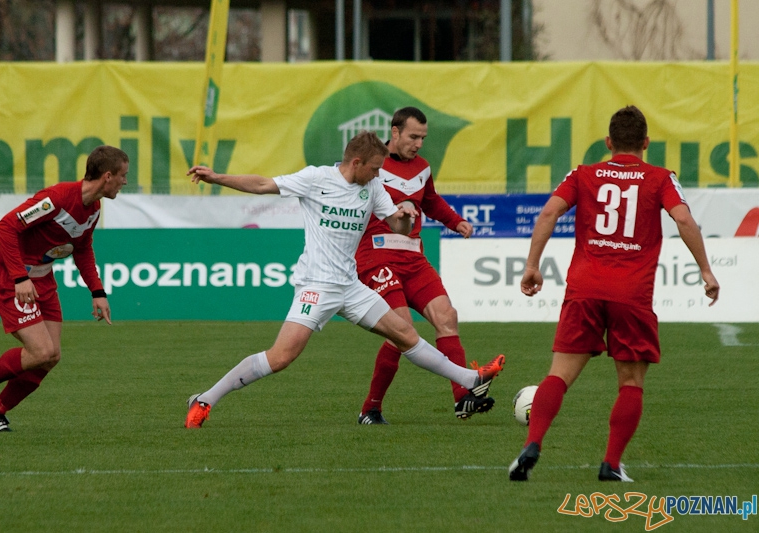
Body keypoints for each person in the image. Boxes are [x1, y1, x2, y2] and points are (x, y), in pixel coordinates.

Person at [184, 131, 505, 429]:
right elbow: (262, 184)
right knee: (281, 357)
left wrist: (405, 219)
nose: (378, 174)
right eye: (375, 168)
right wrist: (217, 177)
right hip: (316, 285)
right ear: (356, 163)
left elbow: (396, 225)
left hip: (351, 287)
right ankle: (205, 399)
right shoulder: (316, 179)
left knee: (405, 334)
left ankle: (471, 379)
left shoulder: (372, 187)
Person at [508, 106, 719, 482]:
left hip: (585, 289)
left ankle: (532, 442)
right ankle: (610, 463)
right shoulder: (661, 178)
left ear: (608, 142)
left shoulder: (583, 174)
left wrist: (531, 265)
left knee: (558, 376)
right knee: (631, 383)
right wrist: (705, 270)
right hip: (631, 293)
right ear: (646, 143)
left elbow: (548, 214)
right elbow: (684, 218)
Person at [0, 145, 128, 432]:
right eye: (123, 175)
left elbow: (83, 249)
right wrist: (20, 277)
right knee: (41, 351)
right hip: (13, 279)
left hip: (43, 282)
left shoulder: (94, 208)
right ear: (107, 176)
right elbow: (6, 227)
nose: (124, 182)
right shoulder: (57, 198)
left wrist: (97, 291)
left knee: (51, 357)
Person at [355, 107, 487, 424]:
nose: (418, 144)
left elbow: (431, 201)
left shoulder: (422, 168)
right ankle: (370, 409)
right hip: (377, 257)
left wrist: (455, 221)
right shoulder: (372, 165)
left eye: (423, 138)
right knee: (402, 328)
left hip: (413, 258)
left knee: (447, 316)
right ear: (395, 132)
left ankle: (462, 398)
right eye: (413, 137)